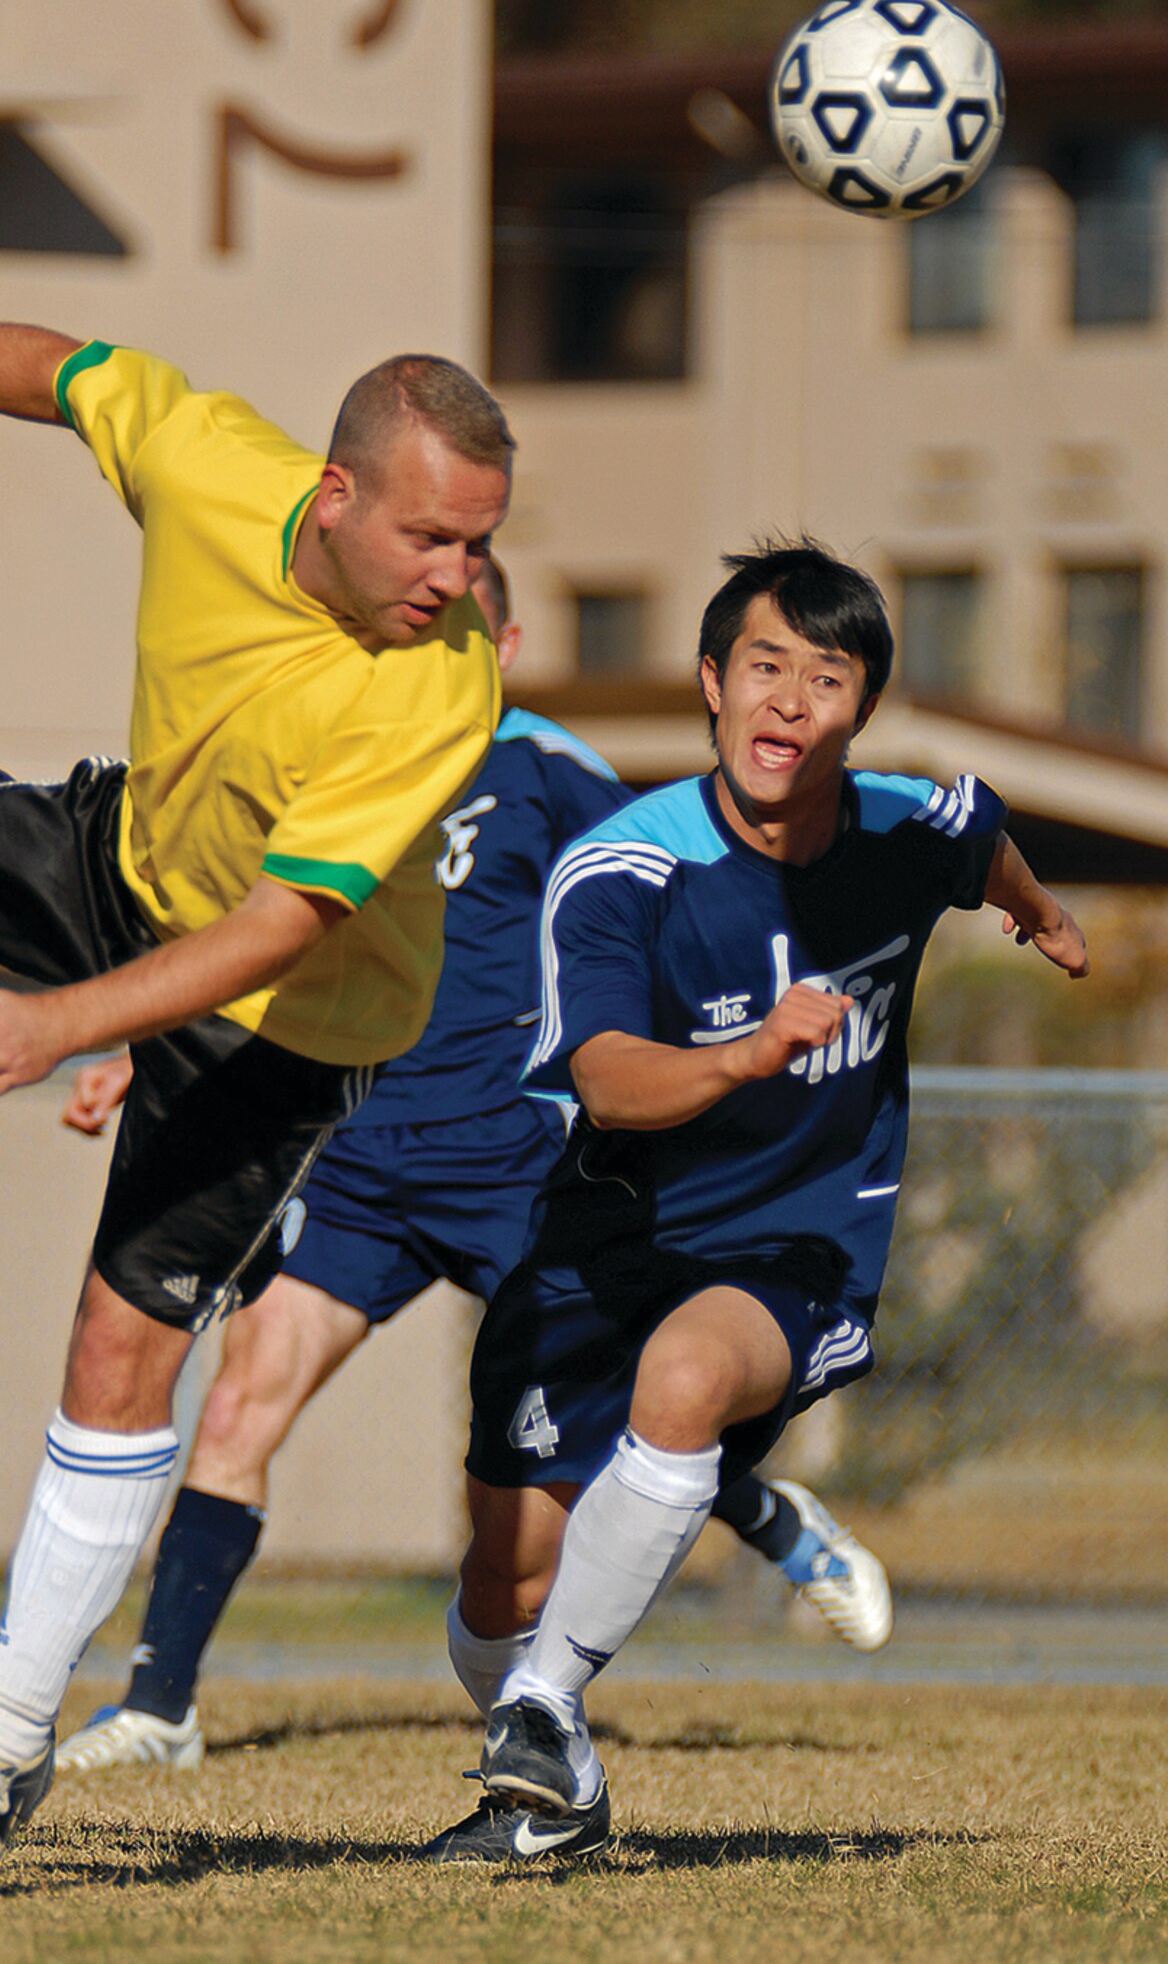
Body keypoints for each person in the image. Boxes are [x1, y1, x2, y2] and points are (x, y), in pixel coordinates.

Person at [0, 298, 514, 1898]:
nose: (457, 582)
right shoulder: (214, 466)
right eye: (431, 539)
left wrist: (64, 1021)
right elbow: (72, 378)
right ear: (331, 497)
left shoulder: (438, 685)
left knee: (118, 1355)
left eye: (480, 548)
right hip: (123, 857)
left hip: (286, 1019)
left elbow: (280, 927)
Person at [49, 562, 892, 1853]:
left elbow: (674, 896)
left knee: (608, 1418)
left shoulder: (552, 769)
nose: (437, 643)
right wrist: (141, 1038)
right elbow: (265, 930)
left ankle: (766, 1510)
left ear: (502, 637)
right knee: (239, 1395)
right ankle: (161, 1703)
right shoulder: (342, 754)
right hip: (359, 1158)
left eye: (464, 627)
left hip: (519, 1159)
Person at [424, 538, 1088, 1863]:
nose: (790, 702)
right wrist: (749, 1052)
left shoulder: (908, 828)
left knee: (683, 1381)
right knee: (499, 1586)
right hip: (602, 1245)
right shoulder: (623, 871)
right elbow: (607, 1085)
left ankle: (548, 1709)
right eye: (764, 668)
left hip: (797, 1243)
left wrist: (1042, 916)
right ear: (710, 683)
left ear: (862, 707)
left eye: (826, 677)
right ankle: (551, 1784)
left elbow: (982, 840)